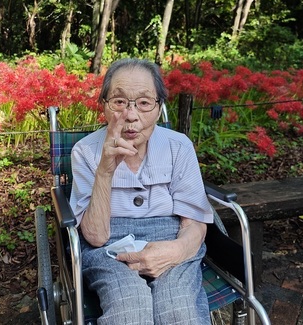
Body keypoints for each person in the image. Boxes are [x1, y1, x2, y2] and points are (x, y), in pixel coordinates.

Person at [69, 58, 214, 324]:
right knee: (129, 310)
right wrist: (105, 171)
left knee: (179, 310)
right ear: (104, 105)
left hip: (172, 239)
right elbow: (96, 237)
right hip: (109, 249)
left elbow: (194, 223)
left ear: (158, 109)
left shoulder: (178, 147)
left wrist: (176, 251)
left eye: (144, 103)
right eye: (119, 102)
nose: (131, 115)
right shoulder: (86, 151)